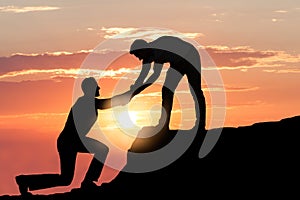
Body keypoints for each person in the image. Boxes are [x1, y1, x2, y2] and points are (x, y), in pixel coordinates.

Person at [15, 77, 149, 196]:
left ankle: (25, 181)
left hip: (70, 141)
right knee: (102, 150)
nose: (99, 88)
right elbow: (120, 101)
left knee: (66, 179)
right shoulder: (88, 102)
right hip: (69, 141)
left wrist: (138, 87)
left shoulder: (87, 102)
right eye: (97, 86)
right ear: (90, 89)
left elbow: (121, 100)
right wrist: (140, 86)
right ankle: (88, 181)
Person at [129, 36, 206, 132]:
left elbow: (155, 75)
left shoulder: (157, 50)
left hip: (190, 56)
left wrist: (137, 89)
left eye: (137, 54)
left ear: (143, 49)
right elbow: (143, 75)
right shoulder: (148, 55)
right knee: (166, 91)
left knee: (195, 90)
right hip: (177, 62)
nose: (138, 58)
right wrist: (135, 88)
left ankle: (201, 124)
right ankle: (163, 125)